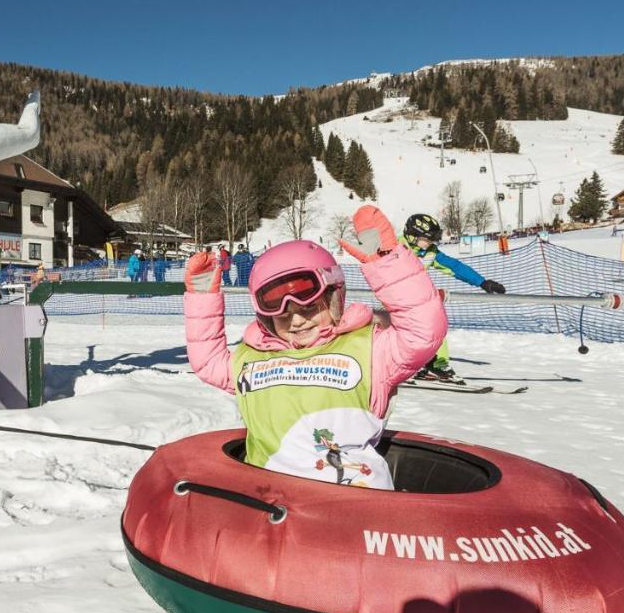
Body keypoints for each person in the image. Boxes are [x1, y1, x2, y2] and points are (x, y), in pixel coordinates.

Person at [183, 206, 446, 489]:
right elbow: (207, 361)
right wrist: (202, 298)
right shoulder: (252, 358)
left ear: (334, 297)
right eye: (281, 315)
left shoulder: (371, 351)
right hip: (271, 504)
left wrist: (386, 261)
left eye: (309, 308)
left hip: (355, 504)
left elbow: (423, 331)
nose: (296, 321)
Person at [400, 213, 505, 383]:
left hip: (416, 299)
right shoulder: (395, 247)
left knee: (436, 324)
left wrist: (482, 282)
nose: (432, 243)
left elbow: (454, 266)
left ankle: (436, 365)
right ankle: (401, 365)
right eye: (428, 239)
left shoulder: (429, 252)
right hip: (394, 298)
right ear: (413, 236)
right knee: (406, 329)